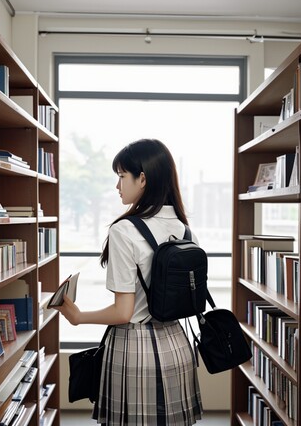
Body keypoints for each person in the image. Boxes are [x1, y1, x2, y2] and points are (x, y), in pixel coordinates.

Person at [56, 138, 203, 425]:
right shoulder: (185, 230)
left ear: (143, 179)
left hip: (136, 352)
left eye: (122, 176)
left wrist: (78, 317)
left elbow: (123, 313)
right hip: (178, 347)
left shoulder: (124, 230)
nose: (117, 185)